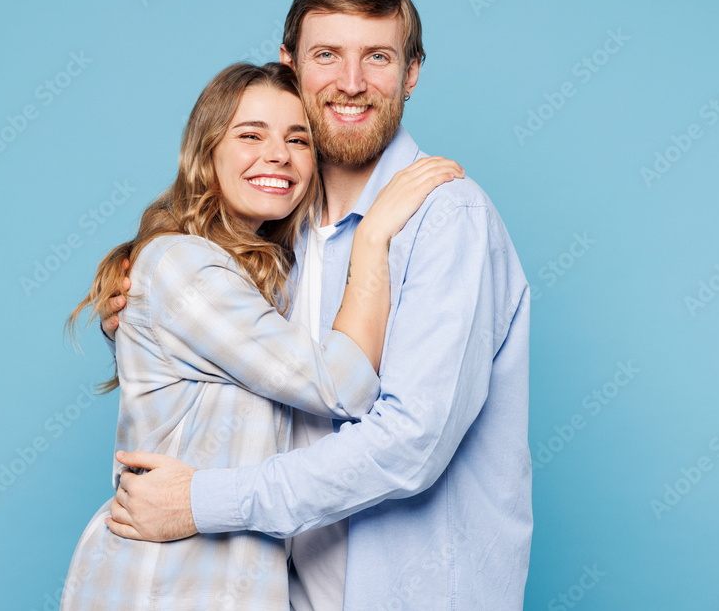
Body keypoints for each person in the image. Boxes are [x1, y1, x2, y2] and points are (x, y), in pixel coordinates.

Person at [101, 0, 533, 610]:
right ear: (291, 65)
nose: (351, 83)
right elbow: (242, 374)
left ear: (412, 72)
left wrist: (201, 500)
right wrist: (138, 317)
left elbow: (410, 442)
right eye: (327, 54)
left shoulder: (448, 218)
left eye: (378, 57)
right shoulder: (278, 231)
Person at [59, 61, 464, 609]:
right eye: (251, 135)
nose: (278, 154)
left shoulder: (259, 277)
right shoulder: (185, 263)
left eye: (298, 139)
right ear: (208, 152)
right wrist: (372, 238)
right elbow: (341, 386)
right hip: (159, 584)